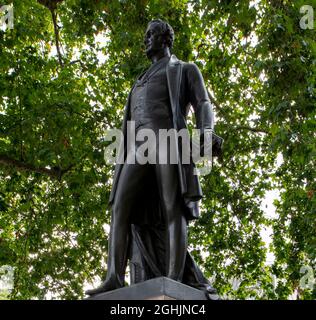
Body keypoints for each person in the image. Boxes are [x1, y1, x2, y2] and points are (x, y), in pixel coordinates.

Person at [86, 19, 222, 298]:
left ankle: (173, 276)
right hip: (136, 146)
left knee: (173, 207)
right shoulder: (140, 79)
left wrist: (206, 132)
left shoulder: (183, 69)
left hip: (168, 139)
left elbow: (203, 103)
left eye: (151, 34)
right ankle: (113, 276)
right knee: (119, 206)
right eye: (145, 34)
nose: (146, 39)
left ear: (166, 38)